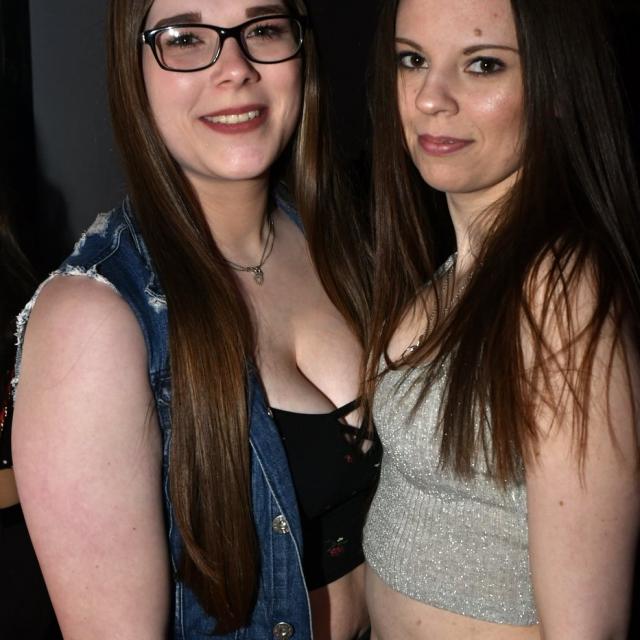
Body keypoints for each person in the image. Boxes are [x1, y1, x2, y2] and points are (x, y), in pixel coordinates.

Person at [12, 0, 377, 638]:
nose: (234, 67)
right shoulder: (92, 322)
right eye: (184, 37)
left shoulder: (343, 240)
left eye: (264, 29)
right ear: (134, 68)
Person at [362, 0, 640, 638]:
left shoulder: (561, 290)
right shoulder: (450, 273)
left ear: (557, 88)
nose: (430, 98)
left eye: (483, 65)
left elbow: (586, 628)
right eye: (413, 60)